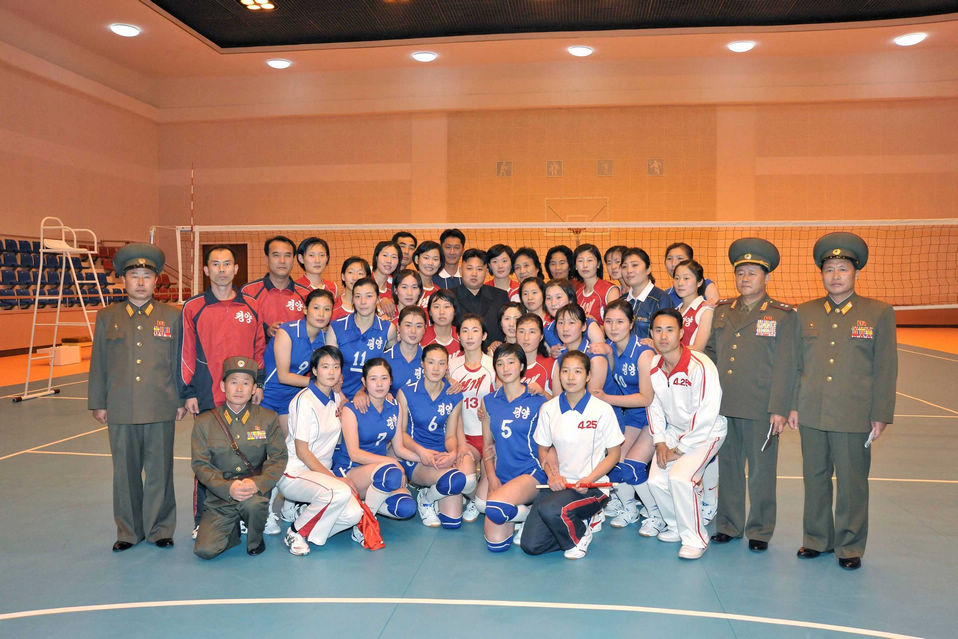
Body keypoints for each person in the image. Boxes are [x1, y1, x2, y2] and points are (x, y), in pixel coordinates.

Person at [790, 232, 897, 570]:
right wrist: (793, 405)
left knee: (852, 484)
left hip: (854, 414)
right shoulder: (804, 312)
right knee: (815, 478)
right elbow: (795, 365)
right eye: (829, 269)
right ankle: (817, 539)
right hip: (811, 411)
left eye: (842, 269)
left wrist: (880, 414)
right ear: (821, 274)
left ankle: (849, 546)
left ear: (855, 273)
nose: (835, 276)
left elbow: (885, 368)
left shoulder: (878, 313)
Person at [89, 243, 185, 552]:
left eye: (147, 276)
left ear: (156, 280)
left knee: (160, 472)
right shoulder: (107, 317)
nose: (141, 282)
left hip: (160, 405)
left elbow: (178, 362)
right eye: (134, 276)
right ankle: (128, 531)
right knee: (125, 473)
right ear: (123, 280)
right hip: (120, 407)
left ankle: (159, 529)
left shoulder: (172, 316)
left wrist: (181, 400)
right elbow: (99, 361)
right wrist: (98, 402)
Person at [706, 239, 798, 552]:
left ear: (767, 277)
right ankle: (729, 526)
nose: (745, 279)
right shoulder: (722, 311)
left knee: (761, 472)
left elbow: (787, 365)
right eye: (740, 273)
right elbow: (710, 356)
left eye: (753, 273)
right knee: (729, 468)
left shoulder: (782, 315)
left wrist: (780, 408)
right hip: (724, 405)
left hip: (762, 408)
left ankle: (760, 530)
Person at [180, 245, 266, 535]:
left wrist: (259, 384)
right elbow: (186, 353)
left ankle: (243, 514)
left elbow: (259, 348)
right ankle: (201, 520)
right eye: (215, 264)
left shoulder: (252, 305)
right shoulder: (193, 307)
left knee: (249, 455)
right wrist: (189, 392)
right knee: (209, 460)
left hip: (244, 396)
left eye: (226, 264)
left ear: (235, 269)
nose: (221, 269)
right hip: (207, 395)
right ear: (206, 270)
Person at [520, 351, 623, 559]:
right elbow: (543, 449)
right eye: (565, 371)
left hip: (592, 488)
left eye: (577, 371)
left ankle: (580, 534)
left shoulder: (602, 409)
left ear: (587, 376)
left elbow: (614, 455)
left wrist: (589, 480)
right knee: (531, 545)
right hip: (559, 487)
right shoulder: (548, 409)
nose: (570, 377)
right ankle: (571, 523)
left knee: (551, 509)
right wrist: (551, 476)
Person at [645, 309, 727, 560]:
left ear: (681, 333)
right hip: (673, 433)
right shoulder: (654, 364)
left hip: (706, 433)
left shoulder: (700, 365)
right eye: (658, 330)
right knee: (656, 481)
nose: (663, 336)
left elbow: (706, 413)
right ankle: (676, 526)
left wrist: (678, 450)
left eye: (670, 330)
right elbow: (654, 405)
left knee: (681, 477)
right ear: (651, 334)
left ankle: (695, 538)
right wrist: (659, 441)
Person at [191, 356, 287, 559]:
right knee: (205, 551)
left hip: (253, 492)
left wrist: (257, 484)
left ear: (254, 389)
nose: (239, 388)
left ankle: (255, 537)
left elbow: (278, 458)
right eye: (233, 382)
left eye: (246, 383)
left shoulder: (267, 418)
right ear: (222, 386)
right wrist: (228, 488)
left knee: (254, 505)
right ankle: (232, 529)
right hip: (220, 496)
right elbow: (200, 464)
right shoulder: (205, 422)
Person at [278, 346, 364, 556]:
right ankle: (295, 531)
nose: (332, 372)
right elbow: (302, 451)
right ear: (315, 371)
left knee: (354, 514)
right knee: (340, 490)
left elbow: (344, 406)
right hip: (294, 472)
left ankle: (308, 521)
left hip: (319, 476)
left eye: (336, 367)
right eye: (325, 367)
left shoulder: (335, 398)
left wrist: (344, 398)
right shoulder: (303, 401)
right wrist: (337, 480)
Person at [589, 299, 657, 531]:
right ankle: (630, 509)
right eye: (608, 321)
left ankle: (656, 514)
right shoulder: (610, 347)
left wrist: (606, 399)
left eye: (620, 321)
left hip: (653, 417)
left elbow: (647, 398)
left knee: (632, 467)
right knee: (615, 464)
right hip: (632, 417)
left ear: (631, 323)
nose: (614, 327)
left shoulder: (643, 353)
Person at [331, 359, 419, 534]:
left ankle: (364, 505)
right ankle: (365, 524)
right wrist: (392, 462)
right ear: (364, 382)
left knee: (406, 508)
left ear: (391, 381)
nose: (379, 384)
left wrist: (428, 458)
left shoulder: (395, 406)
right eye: (373, 379)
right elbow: (354, 454)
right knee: (392, 472)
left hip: (382, 474)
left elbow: (399, 448)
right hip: (351, 471)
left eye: (384, 378)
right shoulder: (351, 409)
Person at [478, 344, 549, 552]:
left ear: (521, 366)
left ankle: (534, 512)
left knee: (496, 507)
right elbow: (488, 447)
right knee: (496, 545)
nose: (505, 368)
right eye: (500, 363)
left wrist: (545, 393)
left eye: (511, 362)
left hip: (532, 472)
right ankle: (518, 511)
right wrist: (491, 477)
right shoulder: (488, 401)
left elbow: (562, 413)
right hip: (503, 473)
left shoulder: (537, 399)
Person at [398, 344, 473, 529]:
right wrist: (421, 451)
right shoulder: (406, 392)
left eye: (441, 363)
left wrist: (453, 453)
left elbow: (450, 435)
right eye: (431, 362)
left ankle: (435, 492)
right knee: (455, 480)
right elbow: (402, 433)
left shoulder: (454, 394)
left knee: (452, 521)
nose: (436, 368)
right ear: (422, 364)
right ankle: (425, 499)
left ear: (447, 367)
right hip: (417, 457)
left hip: (442, 455)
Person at [448, 314, 496, 521]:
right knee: (466, 479)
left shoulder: (495, 365)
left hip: (488, 438)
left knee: (484, 503)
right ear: (458, 336)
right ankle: (472, 493)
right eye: (464, 331)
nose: (469, 336)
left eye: (475, 330)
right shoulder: (450, 366)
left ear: (484, 335)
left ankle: (478, 498)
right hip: (464, 437)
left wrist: (489, 412)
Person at [331, 277, 397, 400]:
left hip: (373, 396)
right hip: (338, 395)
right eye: (357, 296)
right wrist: (342, 398)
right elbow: (329, 368)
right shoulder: (336, 327)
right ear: (353, 299)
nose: (363, 301)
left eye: (368, 296)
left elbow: (390, 367)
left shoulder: (388, 329)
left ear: (377, 299)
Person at [241, 236, 310, 339]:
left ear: (293, 260)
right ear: (266, 259)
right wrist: (266, 331)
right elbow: (242, 327)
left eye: (287, 255)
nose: (282, 261)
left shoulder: (306, 293)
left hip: (296, 354)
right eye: (276, 255)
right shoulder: (248, 291)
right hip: (262, 354)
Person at [452, 248, 509, 349]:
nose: (474, 274)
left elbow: (508, 329)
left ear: (486, 272)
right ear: (460, 271)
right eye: (469, 268)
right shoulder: (449, 297)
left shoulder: (500, 296)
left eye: (479, 269)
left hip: (495, 358)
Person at [620, 247, 670, 340]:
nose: (629, 270)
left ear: (648, 269)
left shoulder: (661, 299)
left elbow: (667, 336)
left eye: (634, 265)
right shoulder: (621, 301)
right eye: (624, 266)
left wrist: (654, 345)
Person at [542, 279, 604, 352]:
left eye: (558, 297)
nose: (553, 303)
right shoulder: (547, 331)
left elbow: (602, 357)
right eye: (548, 298)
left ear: (570, 299)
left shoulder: (589, 325)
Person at [382, 305, 427, 394]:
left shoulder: (428, 359)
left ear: (425, 329)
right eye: (408, 325)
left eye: (418, 326)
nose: (413, 331)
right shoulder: (384, 359)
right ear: (398, 327)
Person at [673, 259, 714, 352]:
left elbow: (698, 348)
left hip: (693, 364)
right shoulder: (675, 311)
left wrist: (667, 350)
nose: (680, 283)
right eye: (676, 278)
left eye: (686, 278)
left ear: (699, 282)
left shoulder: (705, 311)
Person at [574, 243, 620, 323]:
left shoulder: (610, 290)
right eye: (580, 261)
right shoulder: (577, 294)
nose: (585, 265)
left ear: (598, 264)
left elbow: (615, 325)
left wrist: (594, 324)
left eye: (589, 260)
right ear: (575, 266)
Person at [515, 313, 555, 396]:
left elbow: (559, 404)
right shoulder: (507, 364)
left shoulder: (552, 365)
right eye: (521, 331)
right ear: (515, 334)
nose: (526, 337)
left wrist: (542, 393)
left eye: (532, 332)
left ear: (541, 337)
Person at [421, 288, 461, 356]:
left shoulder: (463, 336)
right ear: (430, 312)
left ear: (454, 310)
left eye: (447, 306)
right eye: (436, 307)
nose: (442, 312)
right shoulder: (420, 336)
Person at [371, 239, 401, 318]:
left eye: (394, 257)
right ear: (376, 257)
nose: (389, 261)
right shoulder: (362, 280)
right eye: (385, 255)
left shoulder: (397, 287)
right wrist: (378, 302)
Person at [412, 240, 442, 312]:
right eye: (426, 258)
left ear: (440, 264)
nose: (430, 263)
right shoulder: (406, 287)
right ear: (417, 259)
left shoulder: (438, 292)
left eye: (435, 259)